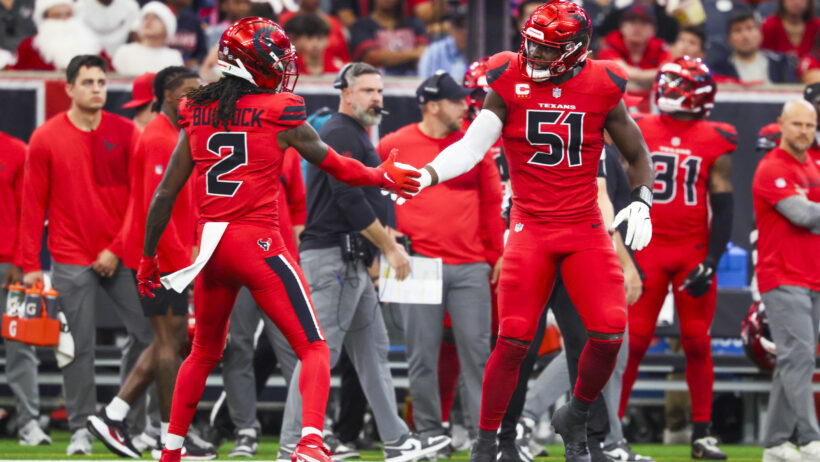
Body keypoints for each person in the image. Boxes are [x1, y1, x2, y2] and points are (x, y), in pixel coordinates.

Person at [136, 18, 420, 462]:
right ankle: (309, 442)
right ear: (253, 65)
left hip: (211, 247)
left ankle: (171, 449)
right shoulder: (279, 109)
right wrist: (380, 175)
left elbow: (165, 195)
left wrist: (148, 258)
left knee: (204, 352)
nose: (286, 67)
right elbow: (336, 166)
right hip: (258, 244)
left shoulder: (195, 108)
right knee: (314, 347)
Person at [396, 2, 656, 461]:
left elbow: (637, 155)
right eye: (531, 43)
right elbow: (472, 147)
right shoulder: (508, 79)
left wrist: (641, 199)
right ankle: (488, 442)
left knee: (610, 331)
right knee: (514, 336)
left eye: (546, 48)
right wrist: (429, 173)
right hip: (530, 226)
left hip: (584, 228)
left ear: (576, 50)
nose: (532, 54)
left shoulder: (600, 83)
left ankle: (576, 416)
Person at [272, 61, 450, 462]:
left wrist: (378, 247)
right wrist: (387, 247)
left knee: (373, 351)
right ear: (345, 93)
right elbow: (348, 198)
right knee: (319, 353)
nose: (377, 98)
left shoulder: (353, 133)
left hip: (349, 258)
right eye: (367, 90)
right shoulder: (338, 131)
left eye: (380, 91)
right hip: (333, 258)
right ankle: (289, 447)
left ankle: (397, 440)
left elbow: (363, 198)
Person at [19, 54, 153, 456]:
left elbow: (141, 199)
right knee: (76, 346)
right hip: (70, 255)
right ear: (69, 89)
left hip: (122, 253)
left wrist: (116, 248)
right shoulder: (45, 137)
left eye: (102, 82)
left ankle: (126, 423)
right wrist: (29, 265)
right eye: (89, 82)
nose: (97, 89)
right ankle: (79, 428)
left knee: (148, 337)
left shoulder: (128, 131)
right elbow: (32, 206)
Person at [86, 66, 216, 460]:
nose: (197, 99)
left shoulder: (172, 135)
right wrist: (182, 260)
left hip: (168, 257)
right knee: (168, 345)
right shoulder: (160, 140)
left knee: (167, 342)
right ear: (170, 97)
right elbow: (155, 208)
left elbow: (180, 206)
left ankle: (114, 414)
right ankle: (168, 437)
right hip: (163, 260)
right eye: (191, 93)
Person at [617, 57, 735, 461]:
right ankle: (612, 431)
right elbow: (618, 187)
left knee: (698, 342)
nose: (665, 87)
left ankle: (701, 435)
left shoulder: (715, 137)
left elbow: (723, 203)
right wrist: (625, 250)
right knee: (632, 343)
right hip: (646, 246)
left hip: (691, 250)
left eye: (675, 82)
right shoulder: (639, 126)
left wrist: (714, 259)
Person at [377, 70, 503, 442]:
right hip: (416, 264)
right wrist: (386, 240)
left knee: (478, 356)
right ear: (433, 105)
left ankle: (484, 436)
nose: (467, 105)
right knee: (421, 357)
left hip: (470, 264)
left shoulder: (471, 146)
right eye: (457, 100)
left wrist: (497, 254)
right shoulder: (392, 146)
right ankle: (431, 433)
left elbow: (492, 201)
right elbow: (375, 194)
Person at [754, 99, 820, 462]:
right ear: (781, 124)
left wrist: (811, 210)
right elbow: (801, 214)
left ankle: (777, 444)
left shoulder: (811, 164)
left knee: (793, 361)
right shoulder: (771, 167)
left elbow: (813, 213)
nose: (804, 132)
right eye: (797, 125)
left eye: (809, 126)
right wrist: (809, 209)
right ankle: (811, 439)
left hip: (812, 276)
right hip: (782, 275)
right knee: (800, 359)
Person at [0, 130, 51, 448]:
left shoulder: (17, 150)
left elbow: (30, 210)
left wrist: (22, 260)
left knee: (22, 346)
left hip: (10, 265)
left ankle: (29, 422)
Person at [597, 3, 672, 113]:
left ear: (653, 29)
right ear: (621, 26)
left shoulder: (660, 47)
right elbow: (619, 71)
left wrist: (631, 79)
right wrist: (651, 80)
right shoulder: (611, 43)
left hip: (654, 107)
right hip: (617, 108)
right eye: (631, 21)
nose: (637, 27)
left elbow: (667, 73)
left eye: (644, 22)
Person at [707, 10, 798, 84]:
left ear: (760, 34)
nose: (745, 36)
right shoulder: (720, 69)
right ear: (729, 39)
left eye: (750, 28)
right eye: (738, 30)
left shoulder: (780, 63)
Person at [10, 0, 103, 71]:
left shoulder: (92, 45)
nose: (64, 21)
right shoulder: (28, 47)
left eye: (68, 15)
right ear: (44, 19)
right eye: (57, 16)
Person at [349, 0, 428, 76]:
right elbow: (371, 57)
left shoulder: (415, 24)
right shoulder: (361, 25)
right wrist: (414, 54)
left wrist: (387, 56)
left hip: (412, 81)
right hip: (374, 81)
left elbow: (423, 57)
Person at [112, 2, 183, 76]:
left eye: (156, 17)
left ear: (167, 26)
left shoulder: (174, 57)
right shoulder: (124, 52)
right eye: (145, 17)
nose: (149, 21)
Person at [417, 6, 468, 78]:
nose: (465, 31)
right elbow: (424, 83)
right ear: (451, 27)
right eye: (460, 25)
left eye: (468, 26)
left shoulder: (482, 49)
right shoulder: (434, 51)